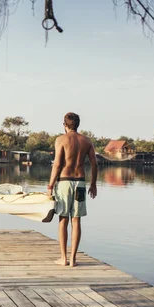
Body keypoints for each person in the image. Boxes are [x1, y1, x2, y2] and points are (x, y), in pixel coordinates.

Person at [47, 112, 98, 267]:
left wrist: (50, 185)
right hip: (80, 183)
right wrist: (93, 184)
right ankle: (73, 259)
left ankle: (64, 258)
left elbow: (57, 165)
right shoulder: (86, 141)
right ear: (78, 125)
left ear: (65, 125)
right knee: (76, 220)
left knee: (63, 219)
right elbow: (95, 164)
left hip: (64, 182)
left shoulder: (61, 140)